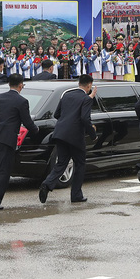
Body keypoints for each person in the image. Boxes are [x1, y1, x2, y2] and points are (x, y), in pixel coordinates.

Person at [0, 74, 38, 210]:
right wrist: (36, 130)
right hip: (7, 140)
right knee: (4, 172)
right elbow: (27, 121)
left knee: (0, 167)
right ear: (20, 85)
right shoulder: (21, 101)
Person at [39, 74, 97, 203]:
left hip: (60, 133)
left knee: (61, 163)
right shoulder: (86, 99)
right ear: (89, 85)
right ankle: (76, 195)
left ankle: (47, 184)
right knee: (80, 164)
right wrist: (93, 134)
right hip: (75, 136)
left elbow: (57, 114)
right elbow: (84, 119)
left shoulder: (67, 95)